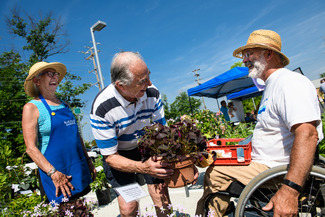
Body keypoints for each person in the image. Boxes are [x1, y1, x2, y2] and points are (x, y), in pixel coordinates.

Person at [196, 29, 323, 216]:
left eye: (249, 54)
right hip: (265, 165)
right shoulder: (271, 85)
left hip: (278, 171)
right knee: (217, 162)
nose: (244, 60)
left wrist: (290, 190)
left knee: (216, 172)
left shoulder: (289, 83)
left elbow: (308, 134)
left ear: (269, 54)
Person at [90, 51, 183, 217]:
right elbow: (111, 157)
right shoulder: (102, 108)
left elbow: (162, 133)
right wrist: (143, 167)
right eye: (142, 81)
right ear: (121, 86)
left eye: (148, 76)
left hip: (146, 146)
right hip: (120, 154)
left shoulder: (152, 93)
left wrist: (183, 158)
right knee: (129, 206)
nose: (150, 83)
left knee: (162, 198)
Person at [22, 62, 96, 204]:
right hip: (55, 175)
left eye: (55, 74)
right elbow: (31, 148)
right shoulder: (31, 107)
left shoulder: (65, 105)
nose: (54, 77)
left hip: (77, 167)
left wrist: (88, 161)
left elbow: (76, 136)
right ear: (37, 81)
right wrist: (53, 173)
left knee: (80, 209)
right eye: (49, 74)